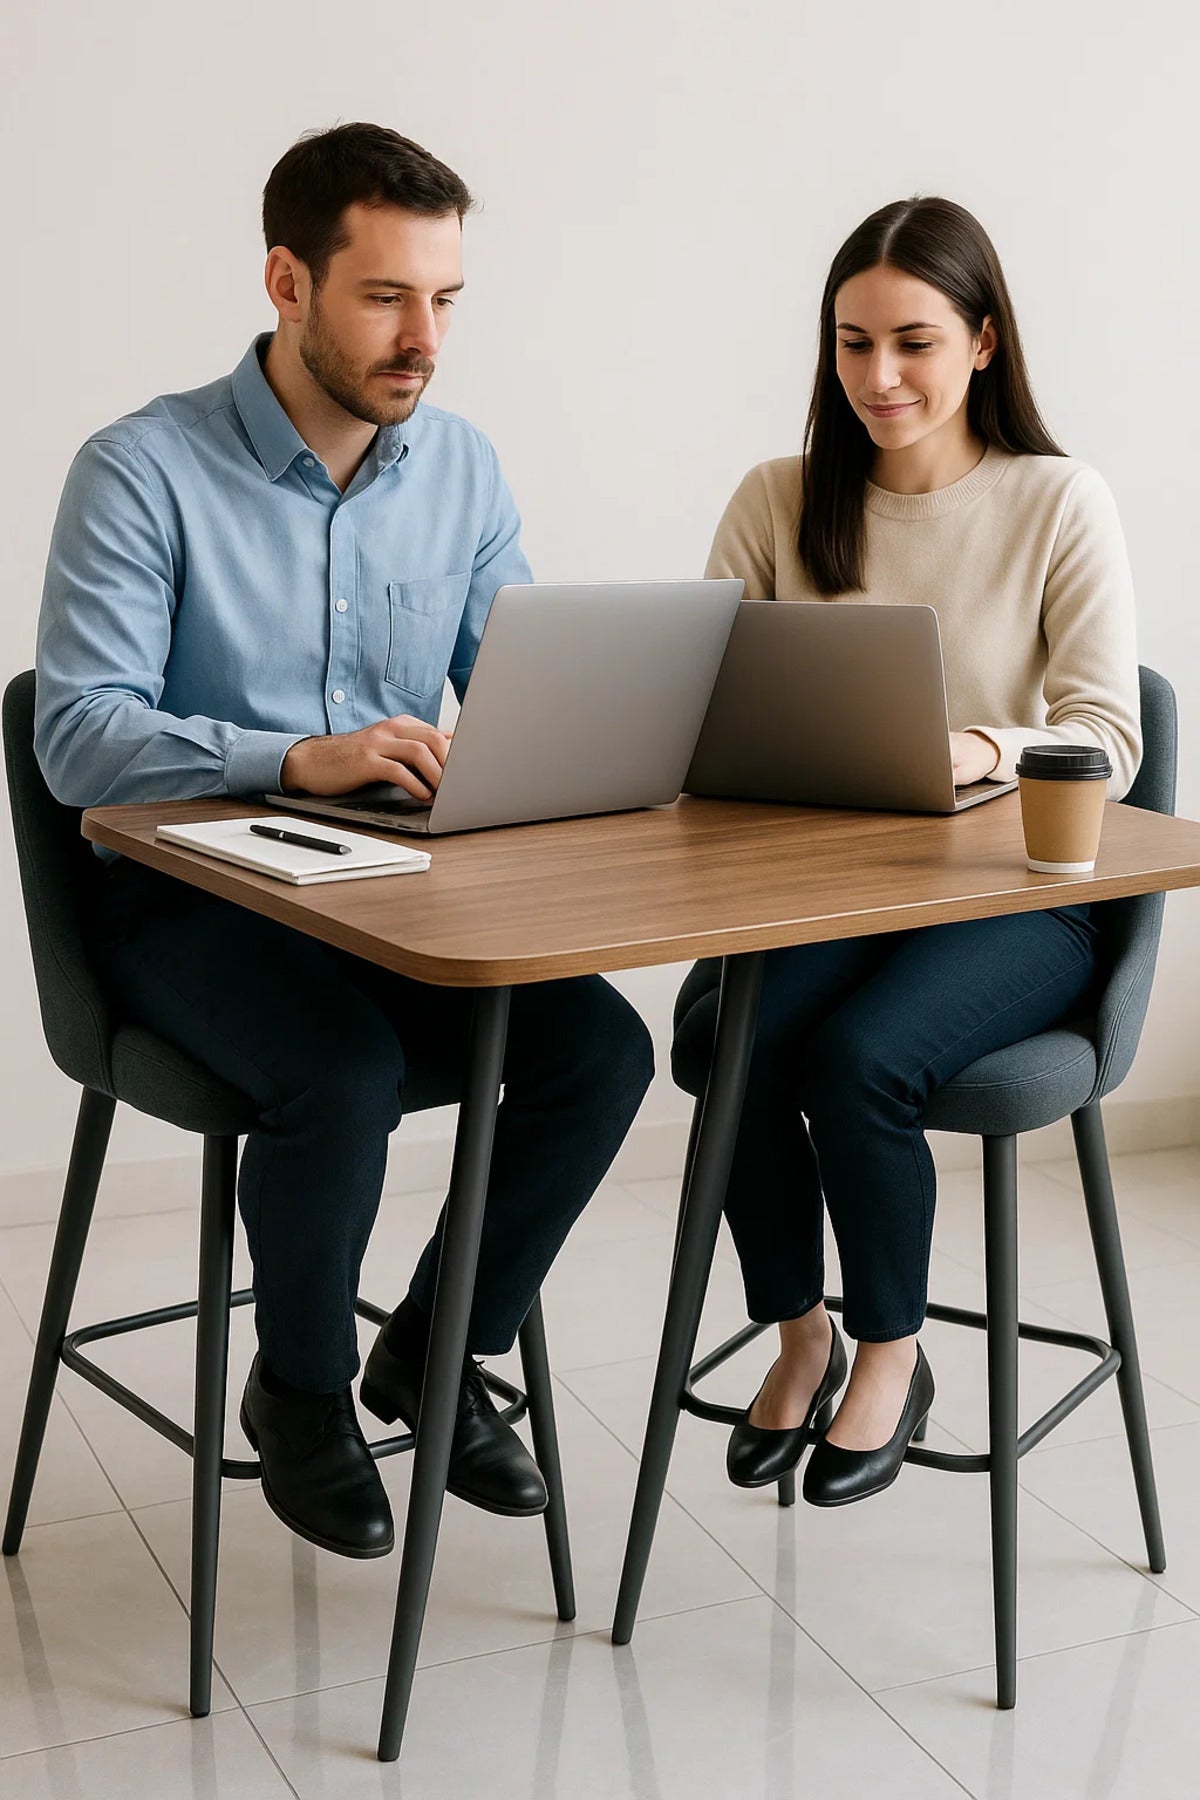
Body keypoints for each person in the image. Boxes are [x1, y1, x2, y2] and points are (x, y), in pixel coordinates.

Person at [35, 123, 653, 1557]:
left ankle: (433, 1356)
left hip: (391, 897)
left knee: (603, 1054)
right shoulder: (141, 470)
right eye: (386, 297)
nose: (422, 337)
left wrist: (582, 743)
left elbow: (518, 687)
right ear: (287, 282)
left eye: (445, 300)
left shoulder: (463, 471)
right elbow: (77, 738)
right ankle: (301, 1392)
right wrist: (290, 758)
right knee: (345, 1071)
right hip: (185, 906)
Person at [701, 195, 1139, 1506]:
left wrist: (983, 748)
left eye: (914, 343)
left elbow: (1107, 735)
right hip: (831, 893)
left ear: (985, 344)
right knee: (730, 1040)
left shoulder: (1058, 501)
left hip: (1023, 901)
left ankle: (893, 1355)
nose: (878, 378)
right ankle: (801, 1339)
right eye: (850, 344)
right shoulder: (779, 501)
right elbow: (700, 707)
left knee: (858, 1059)